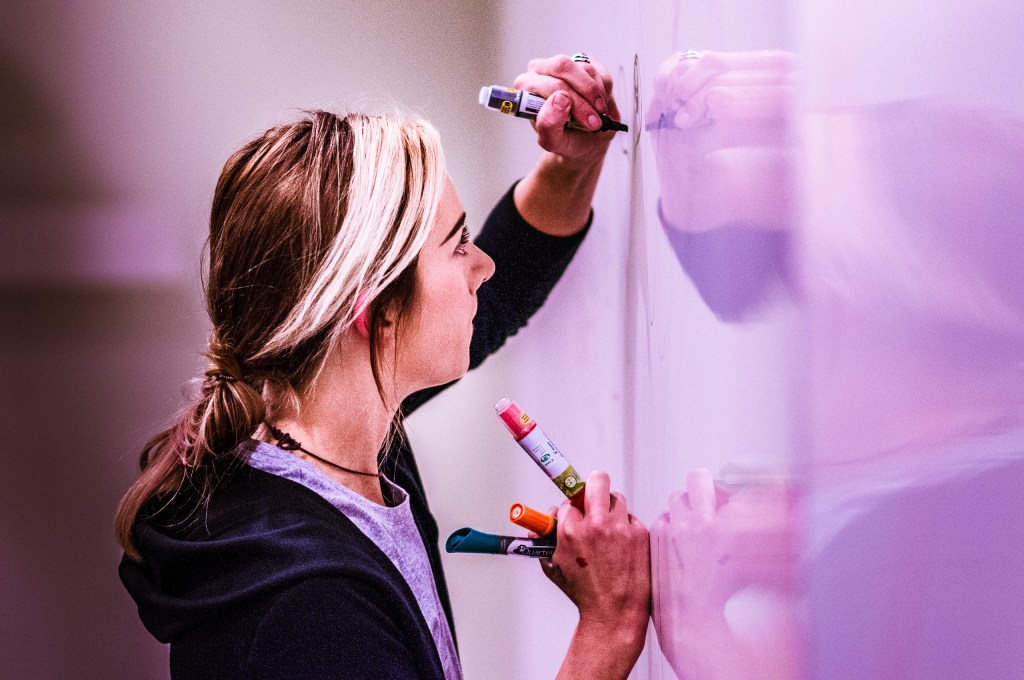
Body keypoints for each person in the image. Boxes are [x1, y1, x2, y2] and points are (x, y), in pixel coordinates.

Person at [114, 54, 650, 680]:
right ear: (375, 314)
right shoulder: (309, 609)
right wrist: (607, 629)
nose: (484, 266)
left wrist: (572, 162)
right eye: (458, 245)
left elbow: (495, 294)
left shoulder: (335, 431)